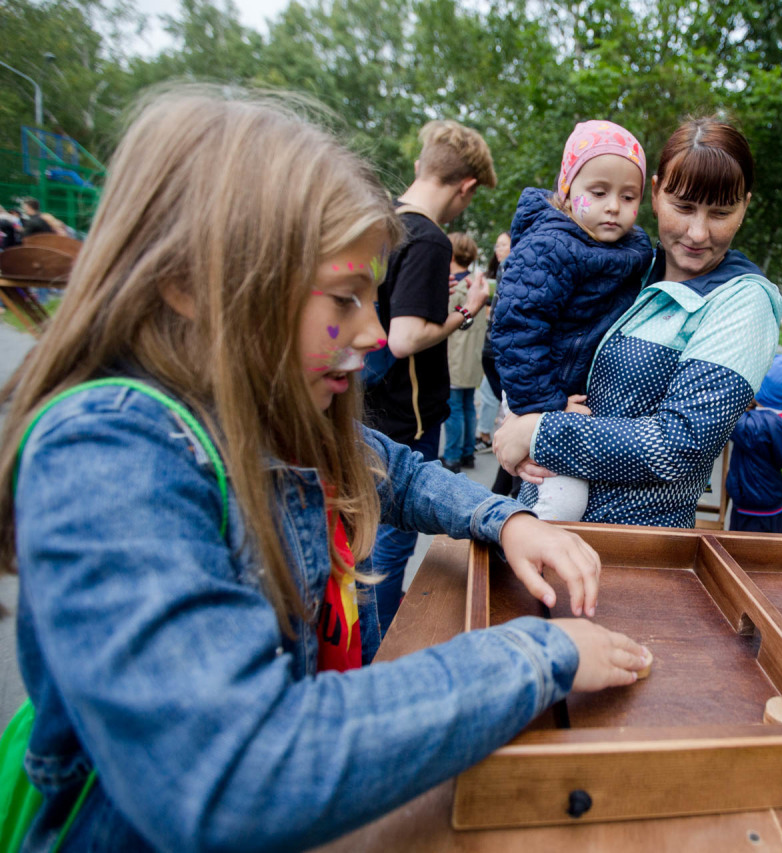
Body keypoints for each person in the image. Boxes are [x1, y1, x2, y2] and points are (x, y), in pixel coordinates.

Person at [0, 88, 649, 852]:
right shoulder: (110, 454)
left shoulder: (260, 410)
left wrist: (506, 520)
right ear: (194, 282)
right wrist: (540, 653)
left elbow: (391, 471)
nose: (374, 331)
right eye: (346, 296)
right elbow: (235, 772)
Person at [494, 116, 782, 528]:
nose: (698, 233)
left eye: (721, 213)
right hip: (540, 520)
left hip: (636, 549)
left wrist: (539, 431)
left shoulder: (742, 300)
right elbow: (533, 333)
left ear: (745, 207)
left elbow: (678, 446)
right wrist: (517, 414)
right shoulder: (627, 264)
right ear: (655, 192)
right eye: (683, 207)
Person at [363, 118, 494, 633]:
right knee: (387, 552)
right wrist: (466, 310)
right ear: (466, 187)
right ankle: (381, 652)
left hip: (368, 404)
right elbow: (404, 338)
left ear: (421, 167)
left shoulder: (380, 221)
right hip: (406, 417)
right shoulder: (429, 238)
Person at [490, 120, 653, 521]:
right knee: (562, 500)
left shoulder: (631, 249)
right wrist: (545, 407)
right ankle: (532, 555)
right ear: (568, 189)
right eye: (598, 192)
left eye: (628, 195)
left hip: (567, 391)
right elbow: (516, 329)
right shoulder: (549, 246)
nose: (613, 205)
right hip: (540, 387)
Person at [725, 354, 782, 533]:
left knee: (741, 556)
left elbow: (725, 416)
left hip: (752, 512)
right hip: (774, 508)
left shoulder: (754, 427)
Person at [442, 232, 487, 473]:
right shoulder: (476, 283)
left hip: (456, 356)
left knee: (454, 407)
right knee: (468, 404)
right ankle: (468, 451)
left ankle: (452, 456)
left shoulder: (455, 287)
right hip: (471, 357)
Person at [477, 231, 511, 453]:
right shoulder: (499, 269)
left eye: (503, 245)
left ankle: (488, 436)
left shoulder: (511, 266)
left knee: (497, 399)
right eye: (496, 246)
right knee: (492, 395)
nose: (498, 250)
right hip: (493, 347)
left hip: (499, 348)